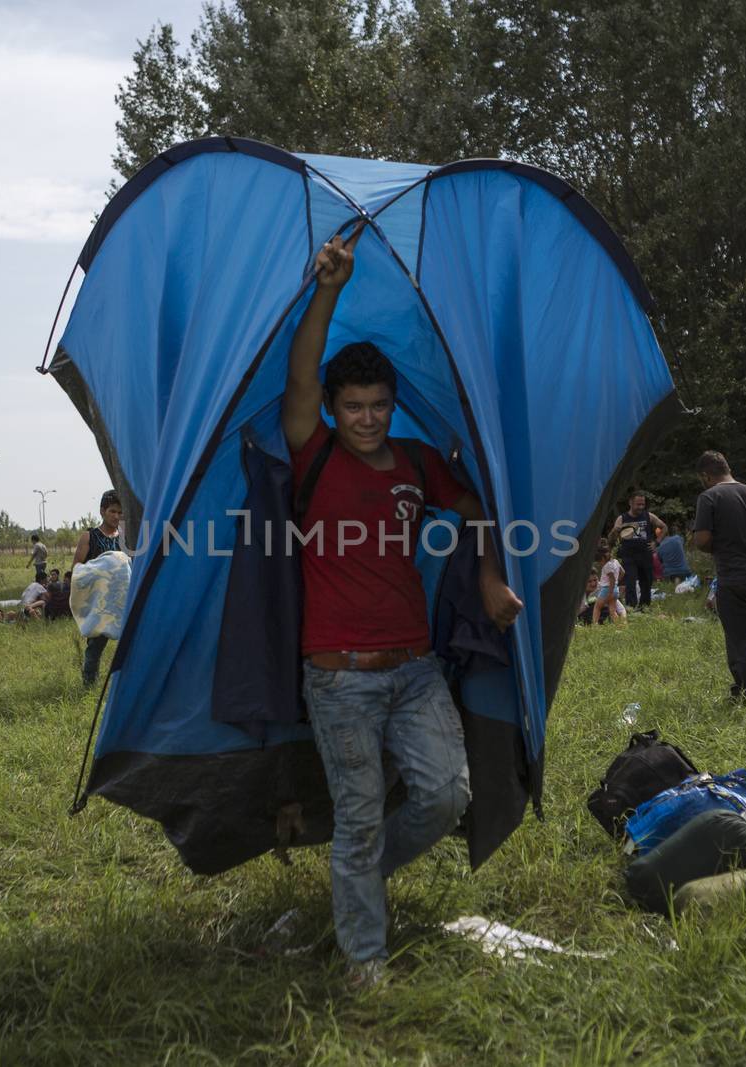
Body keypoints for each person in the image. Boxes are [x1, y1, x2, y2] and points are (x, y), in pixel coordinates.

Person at [281, 222, 522, 985]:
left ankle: (358, 881)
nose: (368, 417)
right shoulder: (312, 451)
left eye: (380, 404)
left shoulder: (417, 461)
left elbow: (479, 504)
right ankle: (365, 960)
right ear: (335, 406)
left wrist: (487, 577)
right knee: (356, 815)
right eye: (353, 405)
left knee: (447, 793)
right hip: (339, 675)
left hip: (414, 669)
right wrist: (328, 290)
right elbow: (297, 379)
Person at [692, 451, 746, 701]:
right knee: (740, 633)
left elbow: (702, 540)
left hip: (735, 578)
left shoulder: (709, 497)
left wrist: (727, 543)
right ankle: (741, 688)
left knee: (743, 639)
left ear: (706, 475)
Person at [74, 491, 125, 686]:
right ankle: (89, 684)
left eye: (119, 512)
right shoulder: (90, 537)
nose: (116, 516)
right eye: (112, 511)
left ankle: (124, 682)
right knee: (96, 646)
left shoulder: (124, 538)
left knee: (129, 642)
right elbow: (77, 567)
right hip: (98, 602)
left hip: (120, 599)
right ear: (102, 511)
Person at [611, 492, 666, 610]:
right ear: (630, 503)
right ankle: (631, 608)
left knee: (646, 582)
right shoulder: (622, 518)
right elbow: (612, 538)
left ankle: (644, 608)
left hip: (645, 554)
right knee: (630, 582)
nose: (641, 507)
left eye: (643, 504)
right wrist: (615, 530)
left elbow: (664, 527)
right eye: (638, 504)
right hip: (628, 556)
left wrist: (657, 542)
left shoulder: (648, 516)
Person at [593, 553, 626, 625]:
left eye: (599, 562)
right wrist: (617, 582)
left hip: (606, 589)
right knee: (612, 611)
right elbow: (623, 572)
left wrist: (610, 592)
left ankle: (594, 625)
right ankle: (620, 626)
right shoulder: (616, 562)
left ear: (603, 559)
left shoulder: (606, 566)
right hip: (615, 589)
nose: (599, 564)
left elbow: (612, 579)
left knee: (597, 607)